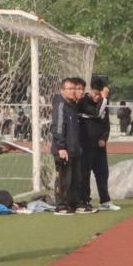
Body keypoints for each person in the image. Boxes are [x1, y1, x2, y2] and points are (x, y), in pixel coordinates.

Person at [78, 78, 120, 211]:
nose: (97, 97)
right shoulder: (83, 102)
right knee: (85, 175)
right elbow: (96, 113)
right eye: (95, 94)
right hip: (86, 146)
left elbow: (106, 125)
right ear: (90, 90)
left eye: (99, 95)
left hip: (100, 147)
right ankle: (85, 201)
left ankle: (105, 201)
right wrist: (104, 98)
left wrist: (104, 138)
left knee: (102, 173)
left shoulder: (103, 104)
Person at [51, 77, 84, 215]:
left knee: (75, 179)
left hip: (74, 149)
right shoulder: (60, 104)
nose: (72, 91)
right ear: (62, 90)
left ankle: (73, 204)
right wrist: (61, 147)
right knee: (64, 179)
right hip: (64, 149)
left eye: (73, 88)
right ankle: (61, 205)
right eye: (69, 89)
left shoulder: (72, 105)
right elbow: (58, 127)